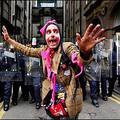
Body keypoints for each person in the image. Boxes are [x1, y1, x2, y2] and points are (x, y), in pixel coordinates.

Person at [2, 20, 105, 118]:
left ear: (60, 35)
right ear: (45, 37)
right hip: (52, 95)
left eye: (55, 31)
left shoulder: (67, 47)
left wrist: (84, 53)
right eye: (49, 32)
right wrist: (9, 40)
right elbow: (26, 50)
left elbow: (78, 59)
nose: (52, 34)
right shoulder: (43, 50)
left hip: (68, 98)